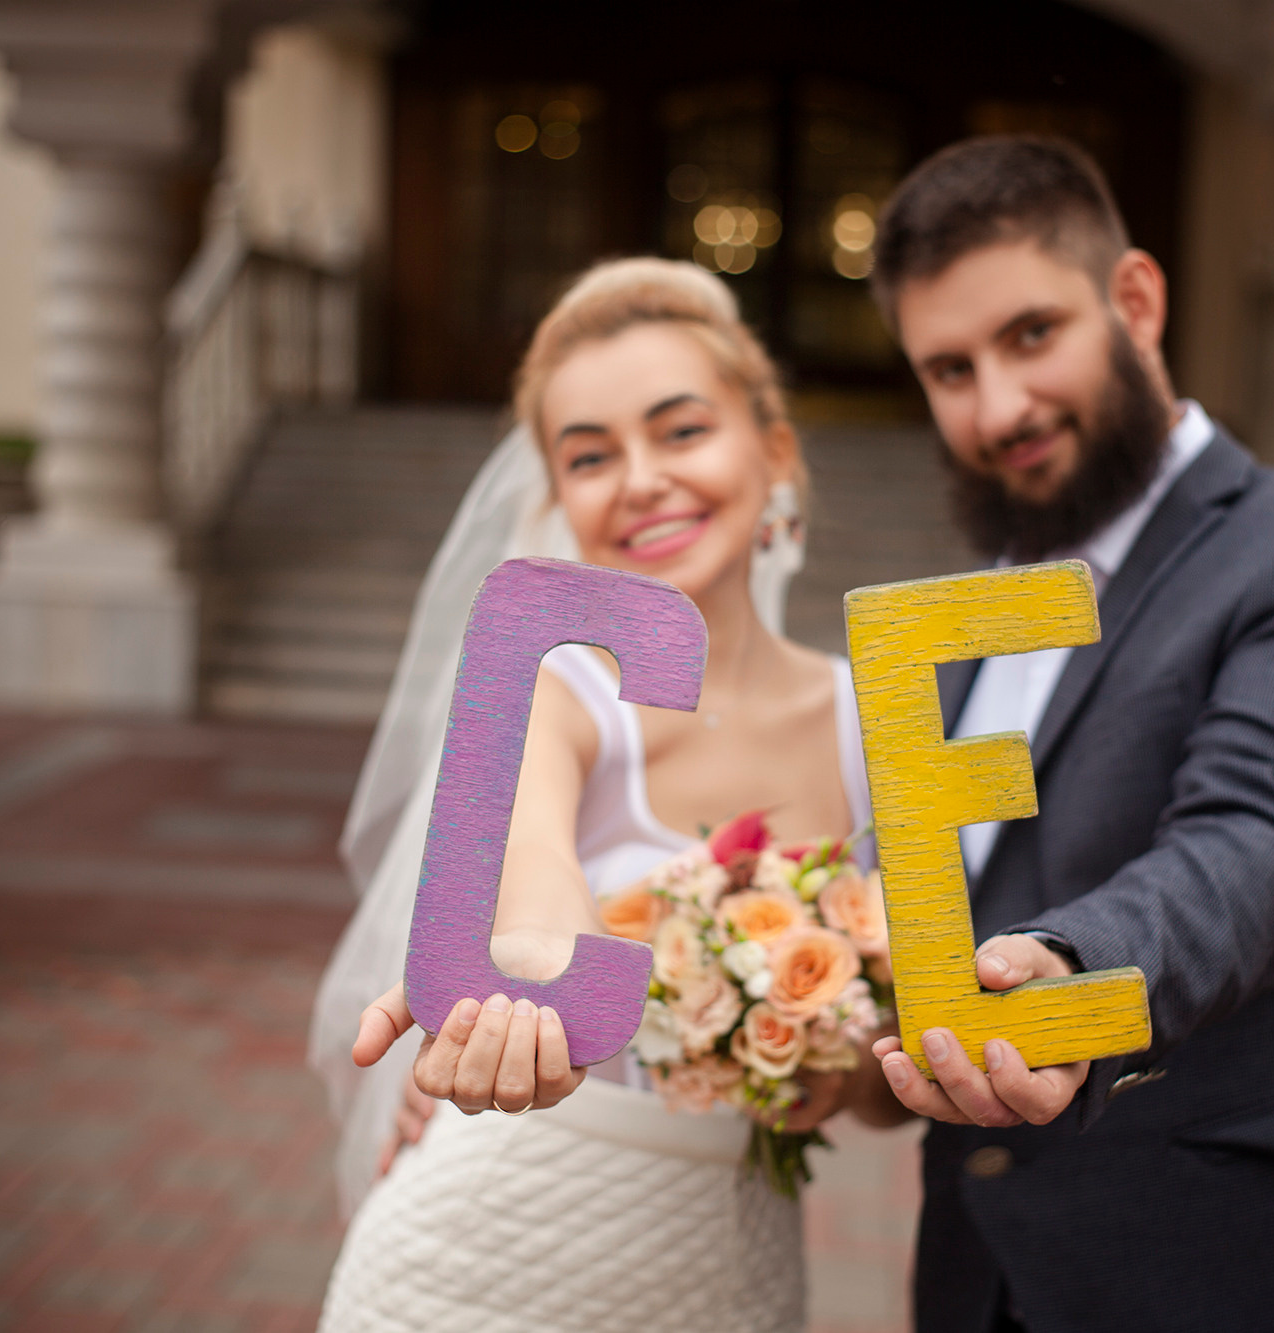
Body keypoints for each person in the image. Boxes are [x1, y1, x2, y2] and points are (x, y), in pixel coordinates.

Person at [862, 137, 1274, 1332]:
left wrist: (1065, 979)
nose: (996, 407)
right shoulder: (962, 621)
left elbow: (1258, 840)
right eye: (947, 368)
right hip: (986, 1279)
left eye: (1030, 335)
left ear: (1133, 300)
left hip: (1256, 1272)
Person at [308, 257, 895, 1333]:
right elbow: (535, 894)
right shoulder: (549, 692)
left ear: (773, 453)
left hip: (729, 1267)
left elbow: (887, 1089)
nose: (638, 479)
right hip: (482, 1262)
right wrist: (523, 985)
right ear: (555, 501)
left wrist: (840, 1064)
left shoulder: (874, 719)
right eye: (588, 456)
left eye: (680, 431)